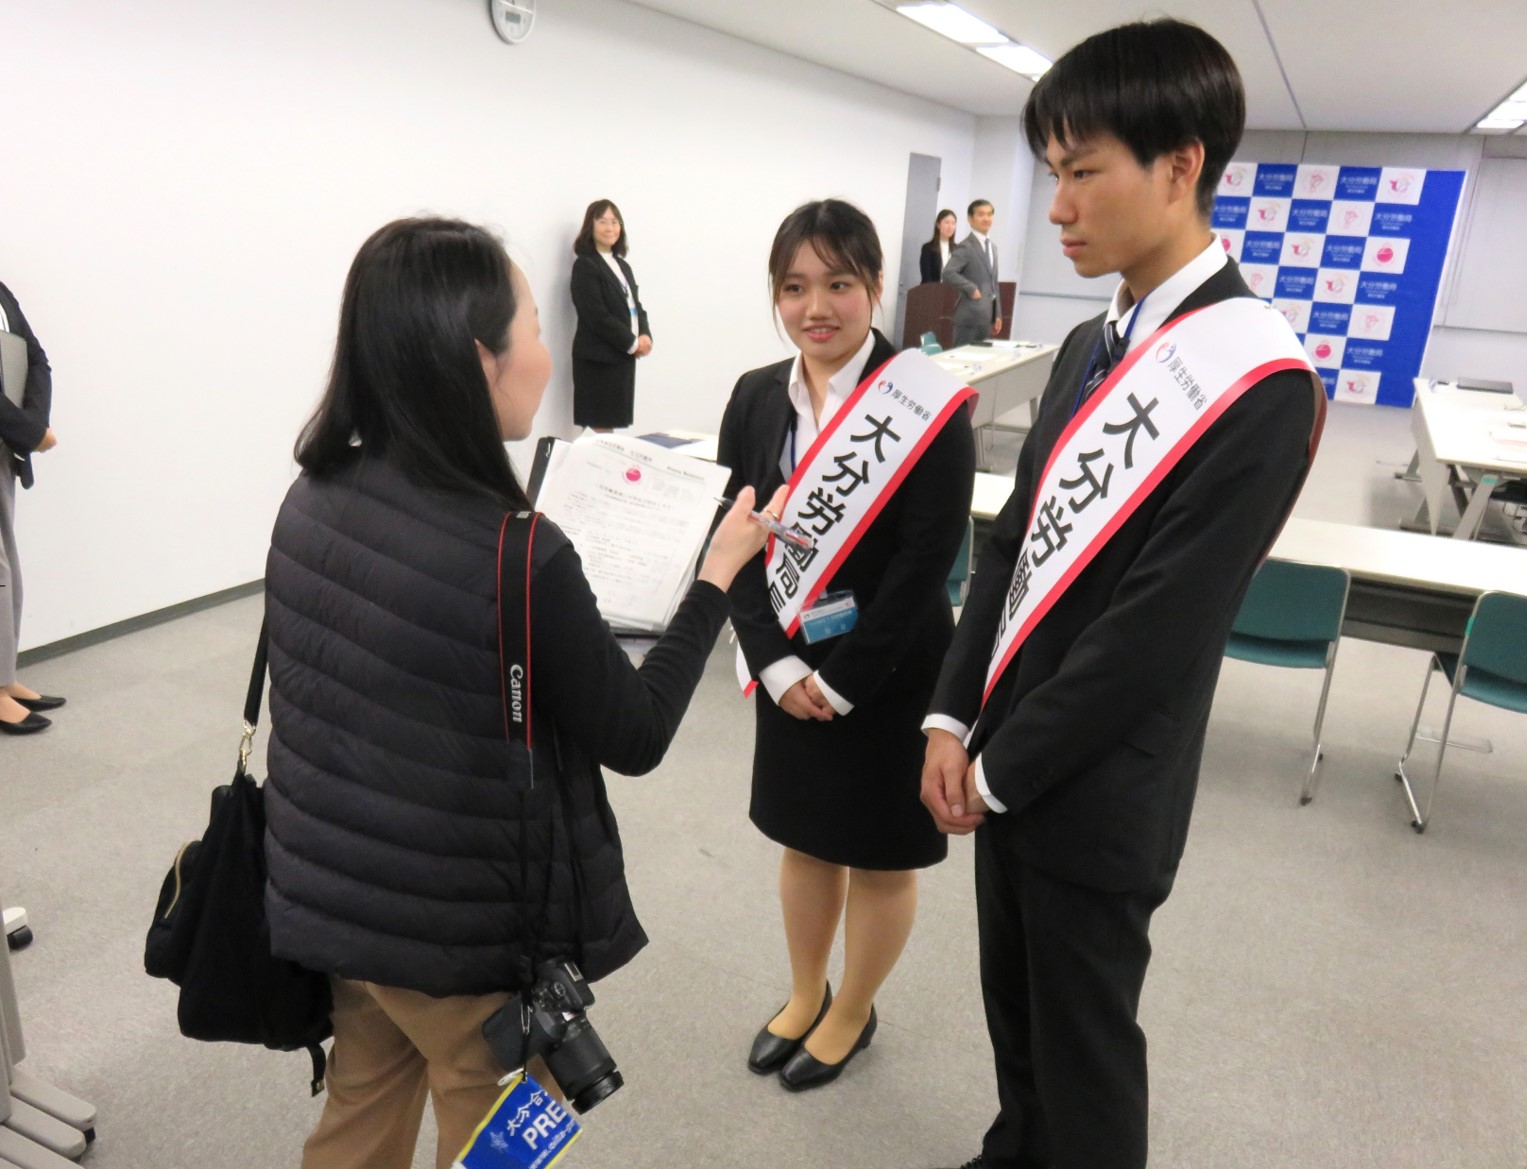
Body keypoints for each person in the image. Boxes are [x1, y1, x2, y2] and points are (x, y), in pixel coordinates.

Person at [262, 217, 783, 1169]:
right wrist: (713, 581)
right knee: (504, 1139)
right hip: (466, 941)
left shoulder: (315, 493)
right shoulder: (518, 551)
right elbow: (633, 732)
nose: (545, 355)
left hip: (340, 903)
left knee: (357, 1121)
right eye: (533, 329)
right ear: (478, 358)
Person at [920, 20, 1323, 1169]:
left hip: (1097, 788)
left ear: (1180, 165)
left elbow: (1155, 631)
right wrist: (952, 714)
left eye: (1083, 171)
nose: (1056, 206)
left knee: (1086, 1053)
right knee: (1018, 1027)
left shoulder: (1253, 380)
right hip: (999, 756)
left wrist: (998, 766)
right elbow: (1008, 540)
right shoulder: (1090, 347)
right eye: (1053, 173)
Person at [717, 200, 975, 1092]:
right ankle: (802, 991)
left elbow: (925, 558)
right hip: (790, 668)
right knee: (805, 839)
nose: (814, 306)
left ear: (873, 286)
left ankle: (853, 1009)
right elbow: (735, 535)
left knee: (878, 850)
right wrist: (780, 665)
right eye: (793, 287)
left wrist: (845, 679)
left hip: (891, 673)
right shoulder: (755, 395)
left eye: (836, 283)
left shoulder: (920, 400)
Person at [0, 280, 64, 736]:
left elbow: (36, 358)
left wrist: (33, 425)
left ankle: (4, 678)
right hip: (11, 436)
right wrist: (31, 432)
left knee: (9, 569)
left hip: (5, 447)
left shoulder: (2, 293)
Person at [570, 199, 652, 432]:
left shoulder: (622, 266)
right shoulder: (585, 266)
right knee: (600, 429)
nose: (610, 228)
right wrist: (632, 343)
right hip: (598, 360)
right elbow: (595, 316)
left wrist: (645, 335)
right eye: (603, 221)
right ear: (590, 227)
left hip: (620, 358)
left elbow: (636, 306)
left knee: (611, 429)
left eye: (615, 222)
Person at [942, 199, 1002, 345]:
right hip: (969, 317)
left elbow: (994, 284)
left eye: (989, 214)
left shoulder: (993, 247)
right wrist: (971, 288)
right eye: (981, 214)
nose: (986, 218)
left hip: (986, 318)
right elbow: (948, 273)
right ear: (970, 219)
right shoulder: (966, 246)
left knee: (981, 363)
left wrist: (997, 314)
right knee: (963, 361)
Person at [919, 208, 958, 284]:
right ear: (938, 225)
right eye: (947, 223)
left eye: (953, 223)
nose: (950, 227)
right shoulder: (928, 248)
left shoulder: (958, 249)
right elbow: (927, 277)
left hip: (952, 292)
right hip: (932, 292)